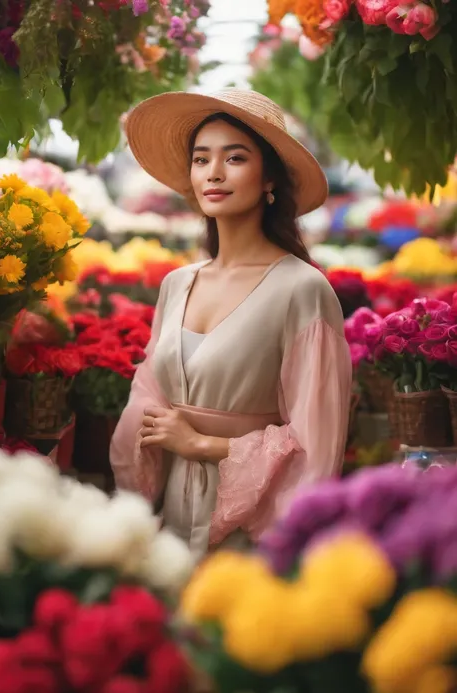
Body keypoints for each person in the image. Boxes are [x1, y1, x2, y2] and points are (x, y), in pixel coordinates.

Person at [110, 89, 352, 560]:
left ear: (270, 180)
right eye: (201, 160)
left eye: (234, 158)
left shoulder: (302, 289)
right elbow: (146, 402)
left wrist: (203, 443)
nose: (213, 173)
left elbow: (316, 446)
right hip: (169, 520)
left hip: (250, 526)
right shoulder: (176, 285)